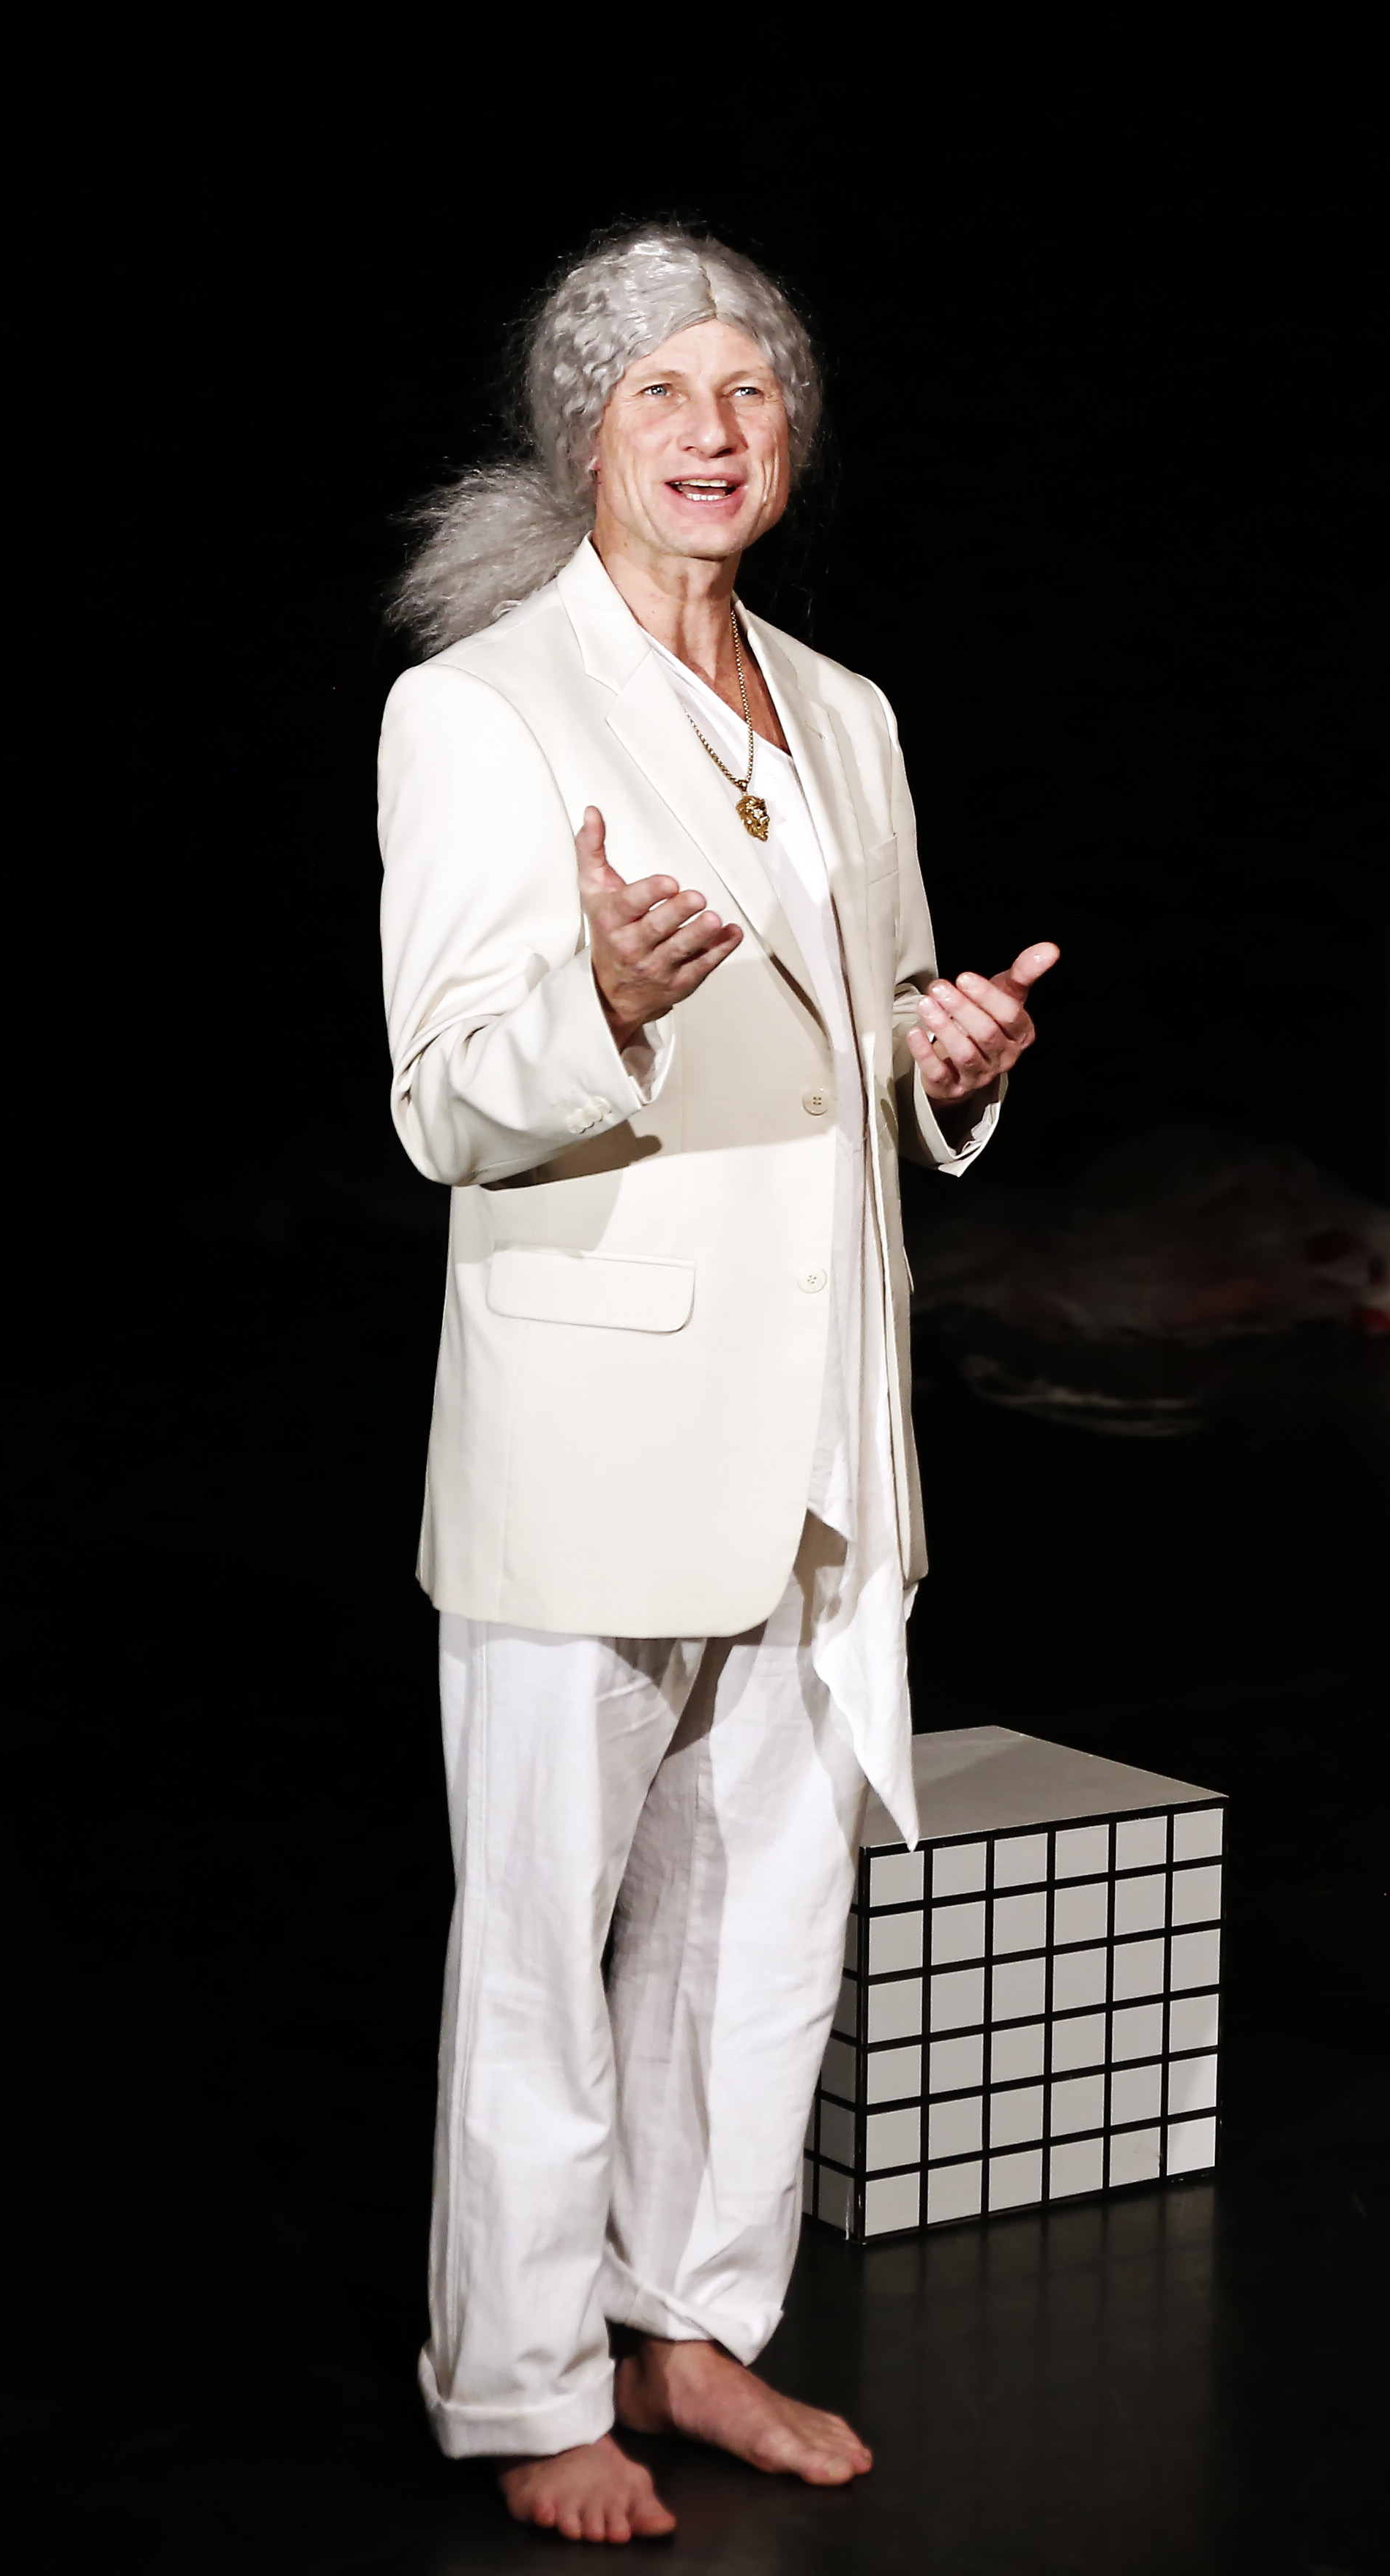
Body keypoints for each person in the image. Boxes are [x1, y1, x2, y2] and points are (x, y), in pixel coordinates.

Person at [378, 226, 1056, 2544]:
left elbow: (868, 1038)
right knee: (544, 1940)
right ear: (585, 428)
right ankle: (524, 2384)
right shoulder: (482, 709)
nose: (711, 429)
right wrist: (602, 1007)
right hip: (595, 1428)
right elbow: (448, 1100)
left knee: (762, 1918)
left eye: (750, 390)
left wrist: (947, 1055)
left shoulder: (844, 712)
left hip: (820, 1422)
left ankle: (691, 2330)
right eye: (661, 388)